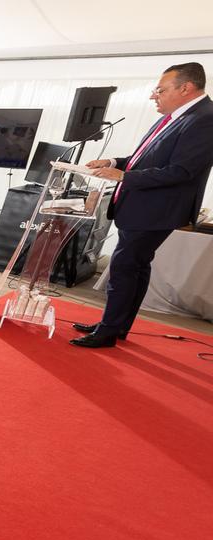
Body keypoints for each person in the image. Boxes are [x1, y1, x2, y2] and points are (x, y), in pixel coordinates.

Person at [73, 62, 213, 348]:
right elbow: (144, 160)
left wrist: (123, 175)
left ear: (185, 88)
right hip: (142, 206)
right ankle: (115, 326)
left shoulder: (205, 119)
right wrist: (112, 163)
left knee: (124, 266)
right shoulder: (175, 117)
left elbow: (182, 171)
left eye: (160, 89)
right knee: (134, 266)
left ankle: (109, 331)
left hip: (156, 209)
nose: (153, 95)